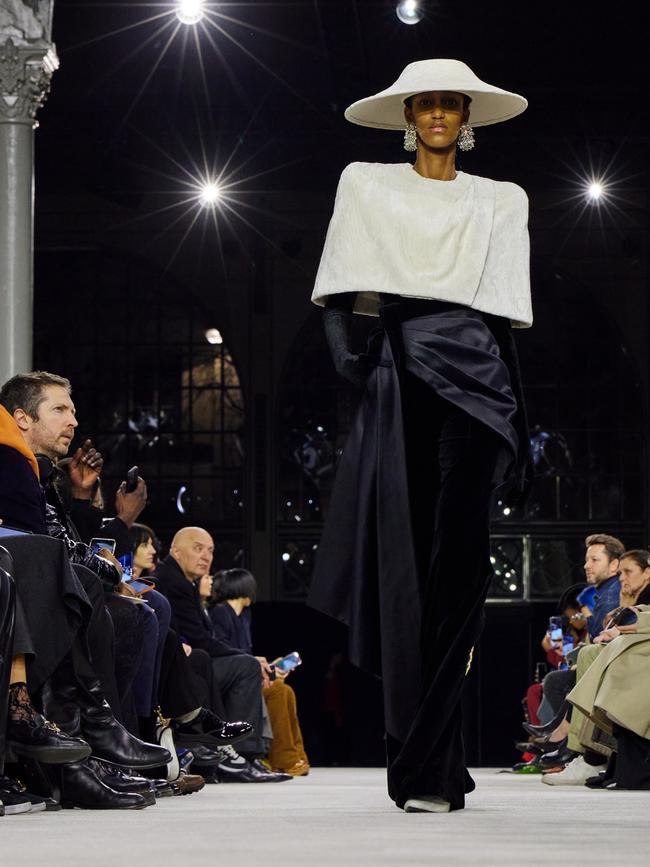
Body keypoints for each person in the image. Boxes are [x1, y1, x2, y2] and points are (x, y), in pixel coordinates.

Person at [307, 59, 531, 813]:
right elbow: (338, 289)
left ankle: (433, 760)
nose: (437, 114)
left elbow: (500, 319)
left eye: (449, 105)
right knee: (409, 570)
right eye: (425, 103)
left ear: (467, 117)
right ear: (409, 115)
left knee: (460, 572)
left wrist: (521, 427)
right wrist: (349, 359)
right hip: (403, 376)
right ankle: (424, 757)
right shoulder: (366, 183)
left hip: (480, 384)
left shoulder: (504, 199)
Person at [154, 527, 291, 782]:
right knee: (245, 666)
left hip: (189, 663)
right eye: (198, 548)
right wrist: (250, 659)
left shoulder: (186, 582)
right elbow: (200, 640)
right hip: (177, 669)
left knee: (250, 668)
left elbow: (204, 640)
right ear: (176, 551)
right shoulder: (172, 581)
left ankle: (242, 754)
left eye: (211, 551)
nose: (206, 556)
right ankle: (238, 754)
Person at [543, 550, 650, 786]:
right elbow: (600, 630)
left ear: (647, 572)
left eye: (627, 571)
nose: (623, 578)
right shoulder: (617, 594)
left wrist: (621, 627)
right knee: (582, 659)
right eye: (621, 572)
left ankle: (584, 751)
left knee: (589, 658)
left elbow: (600, 631)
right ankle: (581, 749)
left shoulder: (611, 592)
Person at [208, 568, 310, 776]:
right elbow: (221, 652)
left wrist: (270, 669)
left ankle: (296, 756)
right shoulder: (220, 612)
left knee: (285, 689)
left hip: (246, 675)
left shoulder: (244, 615)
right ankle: (284, 759)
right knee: (280, 691)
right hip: (231, 681)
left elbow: (245, 657)